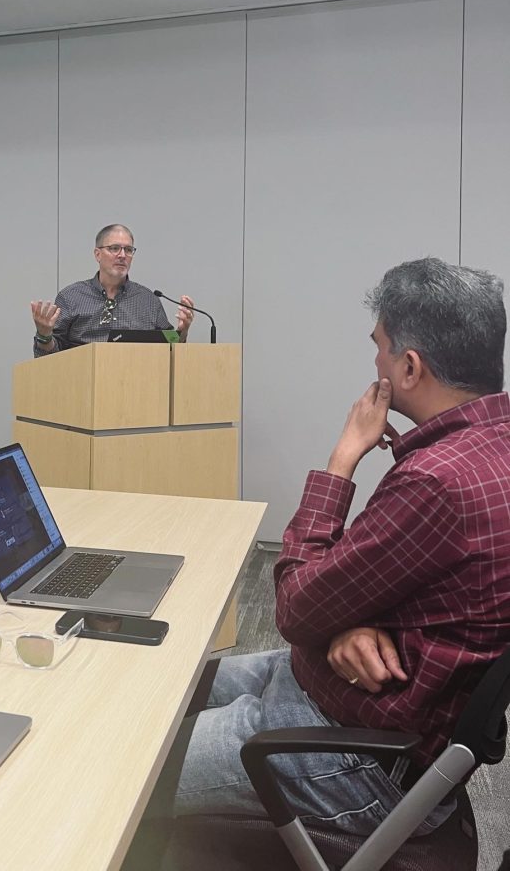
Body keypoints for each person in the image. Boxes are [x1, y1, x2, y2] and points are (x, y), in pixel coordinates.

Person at [130, 257, 510, 862]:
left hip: (352, 754)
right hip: (328, 686)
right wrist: (344, 620)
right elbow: (388, 585)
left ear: (410, 368)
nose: (376, 363)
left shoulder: (439, 481)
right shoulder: (490, 449)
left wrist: (343, 457)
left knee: (123, 760)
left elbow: (296, 605)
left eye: (381, 349)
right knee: (153, 686)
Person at [29, 224, 194, 357]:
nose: (122, 255)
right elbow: (48, 358)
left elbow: (170, 352)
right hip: (81, 385)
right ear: (97, 254)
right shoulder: (71, 297)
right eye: (115, 248)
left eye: (128, 250)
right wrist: (44, 335)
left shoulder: (148, 300)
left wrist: (182, 333)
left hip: (139, 386)